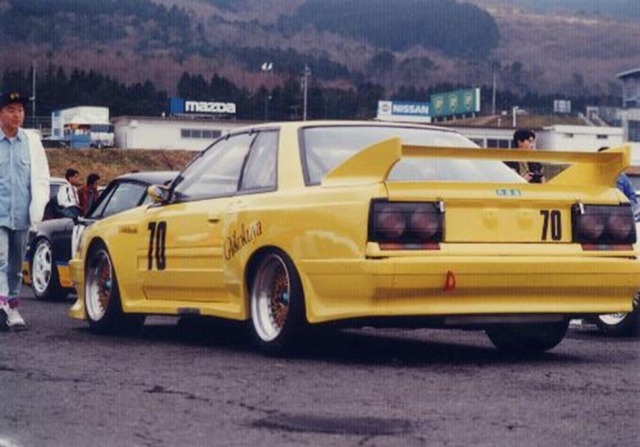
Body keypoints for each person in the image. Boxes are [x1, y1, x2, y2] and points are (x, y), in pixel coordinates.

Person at [0, 90, 50, 330]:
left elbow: (41, 179)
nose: (16, 115)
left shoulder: (31, 142)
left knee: (16, 264)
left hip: (21, 215)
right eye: (11, 110)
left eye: (20, 110)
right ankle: (1, 306)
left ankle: (13, 305)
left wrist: (37, 210)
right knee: (0, 259)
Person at [598, 146, 638, 212]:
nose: (606, 160)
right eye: (603, 157)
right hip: (595, 215)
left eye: (609, 157)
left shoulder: (621, 177)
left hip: (616, 217)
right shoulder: (589, 175)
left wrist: (624, 210)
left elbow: (632, 198)